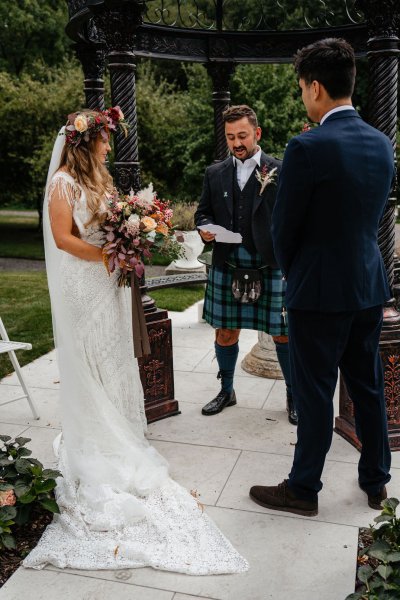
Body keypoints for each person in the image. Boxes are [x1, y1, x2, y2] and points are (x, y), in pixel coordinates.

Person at [23, 108, 248, 574]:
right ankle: (100, 436)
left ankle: (123, 429)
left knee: (113, 352)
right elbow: (63, 239)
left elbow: (115, 223)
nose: (109, 146)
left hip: (107, 282)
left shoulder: (102, 181)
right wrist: (107, 255)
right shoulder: (62, 183)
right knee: (89, 356)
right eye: (104, 140)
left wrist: (134, 229)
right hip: (83, 282)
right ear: (86, 143)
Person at [250, 38, 395, 516]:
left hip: (317, 289)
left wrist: (295, 274)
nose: (302, 98)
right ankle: (376, 482)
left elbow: (284, 228)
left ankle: (303, 489)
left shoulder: (307, 146)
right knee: (367, 386)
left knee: (314, 393)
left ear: (315, 87)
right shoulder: (381, 143)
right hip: (367, 284)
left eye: (301, 89)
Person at [195, 105, 296, 423]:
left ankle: (294, 396)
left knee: (283, 334)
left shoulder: (280, 170)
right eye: (230, 137)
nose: (236, 143)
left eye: (242, 135)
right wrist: (205, 229)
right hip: (228, 262)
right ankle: (227, 391)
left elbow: (294, 217)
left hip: (270, 264)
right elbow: (202, 212)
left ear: (257, 133)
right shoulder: (215, 173)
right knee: (226, 332)